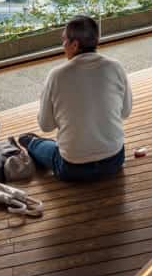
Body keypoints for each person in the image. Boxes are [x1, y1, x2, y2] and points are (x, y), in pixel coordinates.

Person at [19, 16, 132, 182]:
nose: (62, 45)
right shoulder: (115, 67)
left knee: (29, 141)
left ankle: (32, 142)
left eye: (64, 40)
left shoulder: (57, 75)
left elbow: (46, 125)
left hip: (72, 168)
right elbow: (125, 112)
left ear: (75, 44)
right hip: (114, 160)